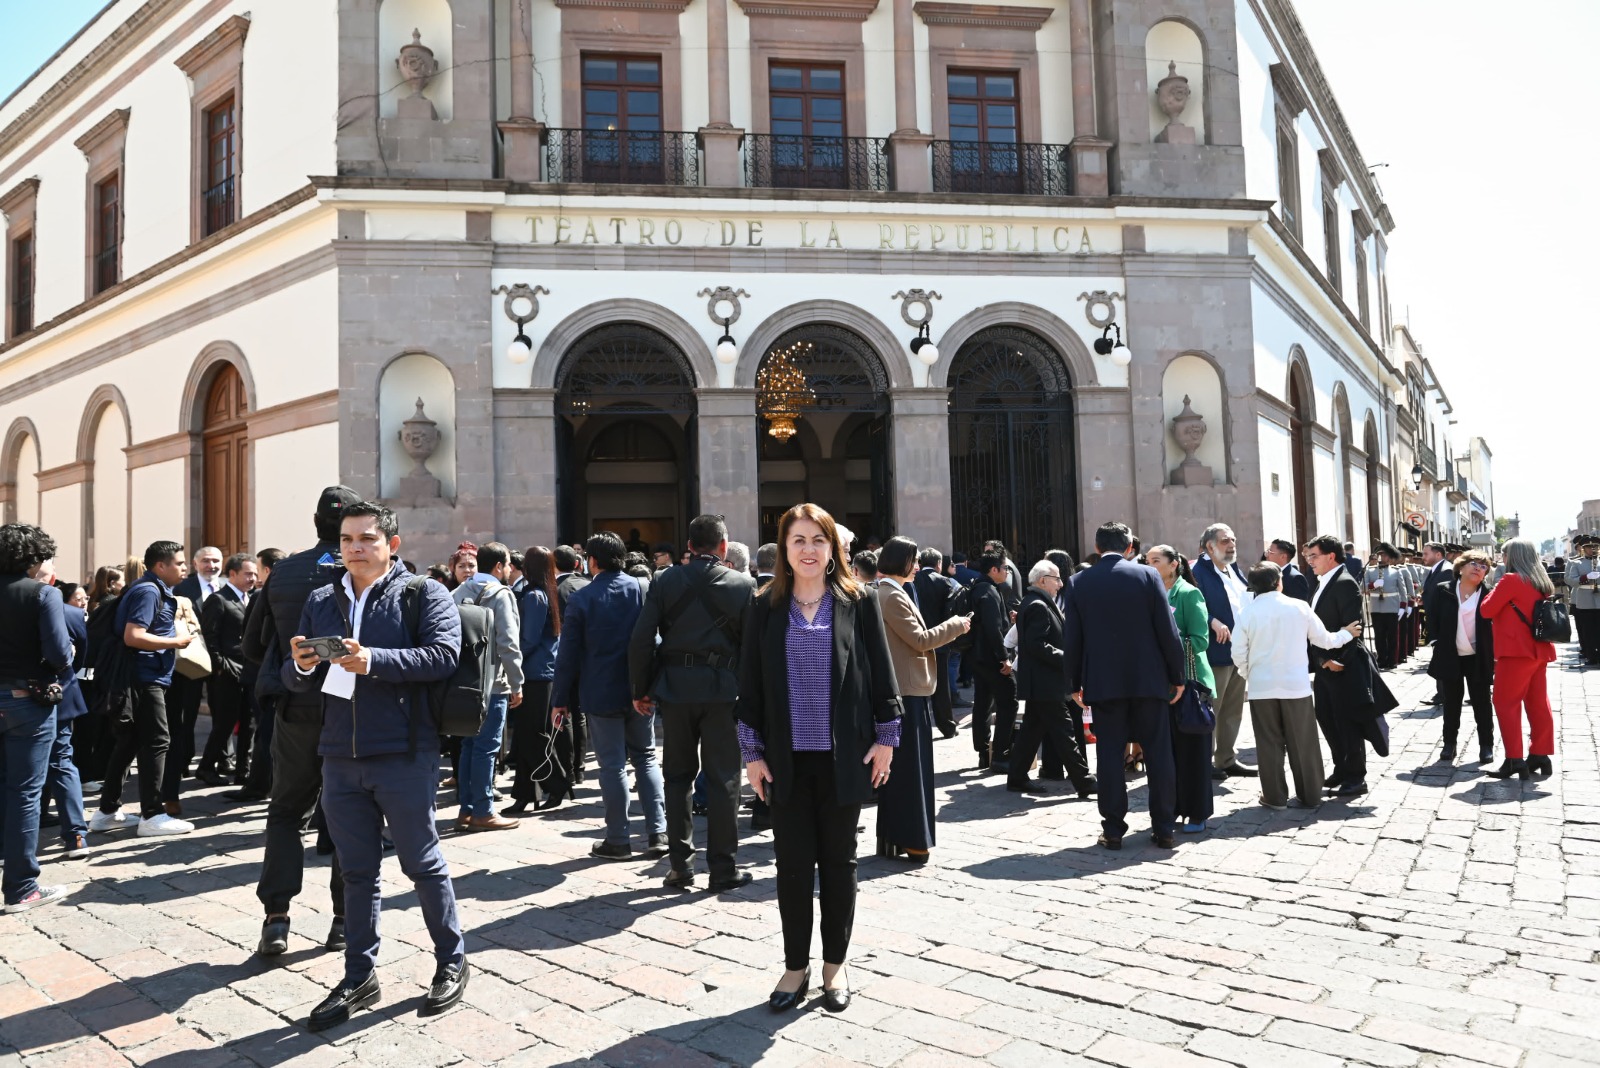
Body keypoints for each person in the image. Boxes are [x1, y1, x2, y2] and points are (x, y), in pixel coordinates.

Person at [288, 501, 467, 1030]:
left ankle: (451, 961)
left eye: (366, 539)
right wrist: (299, 665)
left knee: (422, 862)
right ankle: (358, 975)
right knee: (355, 870)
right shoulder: (322, 597)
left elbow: (443, 655)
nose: (354, 548)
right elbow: (294, 672)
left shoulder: (423, 593)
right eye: (346, 540)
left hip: (405, 751)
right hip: (339, 753)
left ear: (392, 544)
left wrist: (375, 661)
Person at [738, 503, 900, 1013]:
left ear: (833, 548)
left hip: (843, 758)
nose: (808, 549)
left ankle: (835, 966)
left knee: (838, 864)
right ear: (784, 550)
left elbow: (881, 674)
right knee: (789, 868)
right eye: (798, 540)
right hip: (785, 761)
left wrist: (887, 736)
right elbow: (748, 688)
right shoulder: (763, 606)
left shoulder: (859, 600)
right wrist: (752, 753)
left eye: (818, 539)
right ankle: (794, 967)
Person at [243, 484, 357, 957]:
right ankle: (343, 922)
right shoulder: (364, 569)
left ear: (315, 523)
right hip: (350, 707)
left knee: (286, 812)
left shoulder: (284, 571)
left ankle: (276, 918)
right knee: (350, 815)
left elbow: (252, 645)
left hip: (295, 706)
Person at [629, 514, 755, 891]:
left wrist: (641, 688)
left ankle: (680, 864)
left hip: (676, 690)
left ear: (688, 546)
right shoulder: (742, 584)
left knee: (677, 777)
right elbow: (753, 649)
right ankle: (723, 867)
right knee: (724, 780)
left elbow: (640, 639)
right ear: (722, 546)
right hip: (723, 693)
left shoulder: (664, 580)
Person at [1060, 523, 1185, 850]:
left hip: (1103, 682)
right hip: (1149, 680)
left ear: (1098, 547)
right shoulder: (1148, 576)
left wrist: (1073, 681)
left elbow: (1072, 638)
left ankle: (1113, 829)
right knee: (1159, 755)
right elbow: (1167, 631)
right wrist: (1178, 676)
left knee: (1110, 756)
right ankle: (1164, 827)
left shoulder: (1078, 582)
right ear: (1130, 545)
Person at [553, 531, 666, 860]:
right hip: (639, 690)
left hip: (601, 690)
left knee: (612, 765)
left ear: (591, 560)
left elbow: (568, 654)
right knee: (645, 757)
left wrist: (559, 699)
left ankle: (618, 838)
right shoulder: (641, 588)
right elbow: (654, 640)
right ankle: (657, 832)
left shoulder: (583, 598)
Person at [1233, 561, 1360, 810]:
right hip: (1296, 685)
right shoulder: (1299, 607)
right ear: (1279, 582)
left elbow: (1238, 653)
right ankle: (1311, 795)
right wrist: (1347, 633)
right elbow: (1325, 640)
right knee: (1303, 742)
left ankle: (1274, 797)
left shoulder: (1247, 612)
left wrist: (1250, 674)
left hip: (1262, 687)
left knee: (1268, 743)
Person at [874, 536, 969, 860]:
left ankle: (898, 838)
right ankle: (912, 839)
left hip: (906, 688)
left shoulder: (889, 592)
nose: (917, 567)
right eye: (912, 561)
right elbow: (919, 639)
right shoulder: (890, 594)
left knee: (902, 770)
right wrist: (956, 625)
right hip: (907, 690)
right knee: (909, 772)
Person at [92, 541, 195, 837]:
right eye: (179, 562)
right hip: (143, 678)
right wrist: (177, 641)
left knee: (131, 742)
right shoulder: (149, 591)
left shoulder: (151, 589)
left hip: (143, 676)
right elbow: (133, 636)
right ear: (160, 566)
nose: (184, 567)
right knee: (158, 741)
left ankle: (107, 811)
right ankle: (152, 814)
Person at [0, 525, 75, 912]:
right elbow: (61, 655)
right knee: (25, 793)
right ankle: (21, 887)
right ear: (34, 558)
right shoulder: (43, 593)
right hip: (27, 700)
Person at [450, 541, 523, 832]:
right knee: (487, 747)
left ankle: (467, 809)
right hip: (494, 682)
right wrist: (517, 682)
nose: (509, 570)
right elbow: (508, 642)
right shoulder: (500, 594)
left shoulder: (458, 591)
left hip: (464, 681)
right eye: (507, 565)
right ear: (498, 566)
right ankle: (483, 810)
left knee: (469, 744)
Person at [1006, 559, 1094, 799]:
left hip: (1041, 683)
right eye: (1056, 579)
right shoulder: (1037, 605)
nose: (1060, 583)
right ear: (1043, 580)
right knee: (1065, 732)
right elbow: (1036, 645)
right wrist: (1067, 657)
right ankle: (1084, 781)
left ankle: (1016, 777)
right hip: (1045, 683)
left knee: (1031, 732)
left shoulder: (1037, 602)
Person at [1146, 545, 1215, 833]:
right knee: (1169, 753)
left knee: (1194, 752)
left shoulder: (1188, 593)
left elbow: (1200, 640)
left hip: (1189, 684)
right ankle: (1173, 808)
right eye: (1147, 560)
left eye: (1156, 560)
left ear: (1174, 564)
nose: (1150, 565)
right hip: (1161, 684)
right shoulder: (1150, 593)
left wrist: (1167, 640)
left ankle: (1198, 812)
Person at [1480, 538, 1558, 780]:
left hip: (1515, 651)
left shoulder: (1511, 580)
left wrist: (1493, 587)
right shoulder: (1541, 581)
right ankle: (1540, 753)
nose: (1502, 559)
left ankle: (1514, 758)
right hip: (1539, 649)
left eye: (1504, 554)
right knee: (1537, 702)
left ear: (1512, 557)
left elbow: (1486, 610)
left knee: (1505, 702)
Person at [1302, 535, 1369, 796]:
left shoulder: (1343, 583)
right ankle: (1340, 768)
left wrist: (1337, 660)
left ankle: (1355, 776)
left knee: (1346, 723)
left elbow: (1353, 628)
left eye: (1314, 556)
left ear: (1331, 556)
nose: (1309, 562)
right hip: (1322, 664)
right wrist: (1320, 659)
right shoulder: (1321, 582)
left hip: (1341, 667)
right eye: (1308, 557)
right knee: (1327, 719)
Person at [1190, 524, 1257, 781]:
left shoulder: (1233, 568)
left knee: (1233, 708)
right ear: (1210, 546)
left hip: (1239, 649)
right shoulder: (1198, 571)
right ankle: (1204, 761)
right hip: (1215, 651)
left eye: (1233, 539)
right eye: (1225, 540)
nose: (1232, 544)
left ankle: (1227, 758)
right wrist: (1211, 620)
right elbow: (1191, 603)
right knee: (1212, 710)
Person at [506, 546, 563, 814]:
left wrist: (511, 662)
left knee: (532, 736)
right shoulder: (545, 594)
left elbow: (527, 639)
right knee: (528, 736)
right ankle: (525, 794)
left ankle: (557, 782)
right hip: (539, 672)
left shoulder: (534, 597)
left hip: (534, 674)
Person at [164, 546, 222, 806]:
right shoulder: (182, 589)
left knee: (223, 714)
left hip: (220, 663)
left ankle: (222, 758)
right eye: (206, 561)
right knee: (186, 714)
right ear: (197, 564)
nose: (212, 565)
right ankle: (184, 759)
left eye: (216, 561)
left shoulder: (226, 587)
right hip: (190, 662)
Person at [1427, 550, 1496, 765]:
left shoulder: (1489, 594)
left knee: (1482, 703)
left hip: (1478, 657)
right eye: (1474, 563)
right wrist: (1436, 641)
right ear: (1461, 567)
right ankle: (1449, 744)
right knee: (1451, 703)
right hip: (1451, 654)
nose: (1478, 568)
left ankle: (1486, 746)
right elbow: (1433, 617)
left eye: (1483, 566)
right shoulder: (1444, 591)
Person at [196, 553, 259, 786]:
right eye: (248, 573)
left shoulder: (251, 598)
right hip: (227, 674)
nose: (253, 578)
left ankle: (243, 769)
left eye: (254, 573)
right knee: (224, 724)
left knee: (249, 723)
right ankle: (206, 767)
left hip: (248, 671)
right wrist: (222, 667)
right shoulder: (218, 600)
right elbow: (210, 639)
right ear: (232, 574)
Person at [969, 551, 1020, 772]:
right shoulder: (988, 591)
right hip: (991, 658)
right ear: (994, 570)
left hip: (978, 656)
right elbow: (993, 629)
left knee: (982, 702)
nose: (1008, 572)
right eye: (1005, 568)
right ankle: (1000, 754)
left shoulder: (979, 587)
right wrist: (1004, 659)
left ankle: (983, 752)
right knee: (1009, 701)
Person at [912, 548, 960, 739]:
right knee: (941, 686)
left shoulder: (911, 581)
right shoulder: (945, 582)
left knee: (916, 686)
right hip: (939, 640)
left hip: (915, 639)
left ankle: (921, 726)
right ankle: (946, 726)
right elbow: (949, 613)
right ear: (939, 564)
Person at [553, 546, 591, 786]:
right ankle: (580, 767)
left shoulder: (555, 590)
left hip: (566, 656)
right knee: (581, 714)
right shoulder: (588, 584)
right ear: (577, 564)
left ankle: (567, 768)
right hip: (590, 657)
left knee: (563, 712)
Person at [1363, 544, 1411, 670]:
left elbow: (1402, 590)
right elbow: (1362, 588)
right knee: (1379, 636)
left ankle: (1392, 660)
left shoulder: (1396, 572)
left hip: (1392, 607)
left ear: (1390, 558)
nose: (1382, 557)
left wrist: (1403, 607)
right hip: (1376, 608)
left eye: (1385, 555)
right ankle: (1381, 659)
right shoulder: (1370, 571)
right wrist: (1374, 585)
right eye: (1381, 555)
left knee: (1392, 636)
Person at [1567, 535, 1600, 667]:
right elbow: (1570, 580)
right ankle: (1591, 655)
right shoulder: (1577, 563)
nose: (1593, 549)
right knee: (1588, 630)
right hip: (1585, 600)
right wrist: (1585, 577)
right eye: (1590, 547)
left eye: (1596, 547)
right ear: (1584, 549)